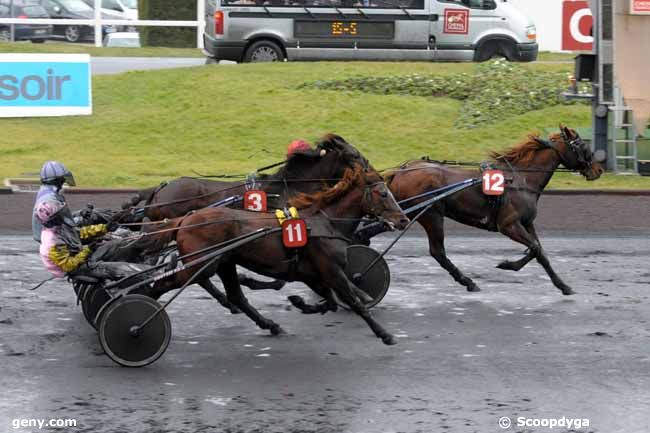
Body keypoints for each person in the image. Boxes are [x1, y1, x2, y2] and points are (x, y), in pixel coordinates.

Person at [35, 199, 150, 282]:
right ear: (54, 219)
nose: (65, 214)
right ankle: (153, 273)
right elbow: (69, 266)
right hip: (78, 268)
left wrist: (105, 228)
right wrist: (88, 250)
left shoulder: (60, 227)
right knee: (120, 268)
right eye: (61, 214)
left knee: (118, 244)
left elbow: (81, 233)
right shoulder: (52, 242)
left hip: (82, 257)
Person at [32, 161, 76, 243]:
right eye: (62, 179)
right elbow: (69, 224)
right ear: (57, 181)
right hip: (56, 242)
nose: (63, 181)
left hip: (49, 238)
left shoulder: (46, 192)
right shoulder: (50, 199)